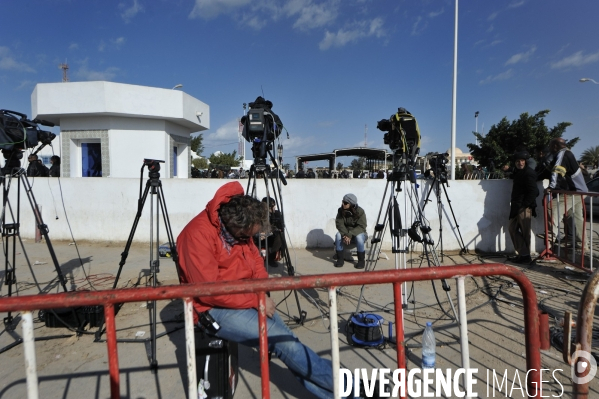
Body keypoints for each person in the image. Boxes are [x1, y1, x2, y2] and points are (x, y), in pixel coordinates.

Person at [176, 182, 337, 399]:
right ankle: (352, 387)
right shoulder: (196, 236)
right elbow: (208, 291)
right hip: (211, 308)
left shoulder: (238, 230)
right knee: (285, 344)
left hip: (245, 297)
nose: (248, 240)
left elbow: (255, 260)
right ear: (234, 226)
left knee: (289, 345)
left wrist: (262, 291)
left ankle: (341, 392)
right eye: (246, 236)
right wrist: (255, 300)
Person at [547, 137, 588, 248]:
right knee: (575, 217)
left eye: (550, 146)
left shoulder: (562, 154)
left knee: (552, 207)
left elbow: (558, 171)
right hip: (580, 190)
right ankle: (581, 244)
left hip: (574, 191)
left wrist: (552, 187)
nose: (549, 148)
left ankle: (551, 236)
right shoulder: (569, 153)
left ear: (555, 146)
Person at [508, 150, 539, 264]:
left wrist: (525, 205)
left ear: (525, 161)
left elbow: (534, 191)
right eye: (517, 161)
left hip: (524, 207)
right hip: (517, 207)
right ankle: (523, 253)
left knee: (526, 233)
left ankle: (525, 256)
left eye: (522, 161)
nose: (520, 163)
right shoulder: (519, 172)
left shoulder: (529, 173)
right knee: (512, 228)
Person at [334, 193, 367, 269]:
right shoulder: (340, 210)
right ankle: (340, 259)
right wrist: (346, 234)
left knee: (359, 237)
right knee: (338, 235)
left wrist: (350, 234)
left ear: (351, 204)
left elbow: (361, 226)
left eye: (345, 203)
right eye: (342, 202)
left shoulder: (360, 211)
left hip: (359, 233)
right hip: (346, 233)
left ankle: (361, 261)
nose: (343, 204)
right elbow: (339, 224)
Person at [255, 197, 284, 266]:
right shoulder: (258, 215)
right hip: (259, 238)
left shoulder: (277, 214)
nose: (274, 207)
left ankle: (271, 259)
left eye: (274, 205)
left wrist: (271, 230)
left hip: (270, 237)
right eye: (271, 206)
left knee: (280, 235)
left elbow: (280, 227)